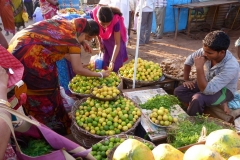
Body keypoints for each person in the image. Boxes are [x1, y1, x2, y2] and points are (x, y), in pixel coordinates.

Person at [8, 18, 111, 135]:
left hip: (18, 44)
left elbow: (66, 52)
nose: (87, 41)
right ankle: (48, 129)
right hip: (30, 56)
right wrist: (100, 74)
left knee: (43, 87)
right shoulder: (73, 40)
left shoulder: (68, 24)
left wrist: (82, 43)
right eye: (88, 38)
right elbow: (77, 69)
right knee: (44, 90)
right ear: (83, 32)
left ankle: (38, 123)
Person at [174, 30, 239, 116]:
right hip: (208, 83)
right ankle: (199, 105)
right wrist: (186, 79)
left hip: (224, 91)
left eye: (209, 53)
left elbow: (207, 90)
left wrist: (199, 67)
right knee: (179, 91)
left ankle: (192, 122)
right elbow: (188, 61)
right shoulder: (207, 50)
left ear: (222, 52)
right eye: (204, 50)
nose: (204, 54)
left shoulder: (231, 66)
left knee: (198, 99)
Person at [91, 6, 128, 72]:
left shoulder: (116, 21)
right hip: (105, 39)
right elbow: (98, 31)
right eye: (102, 24)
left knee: (116, 64)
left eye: (107, 24)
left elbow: (117, 43)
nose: (105, 26)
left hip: (116, 40)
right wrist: (100, 43)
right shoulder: (95, 15)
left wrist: (112, 61)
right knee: (105, 61)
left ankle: (116, 78)